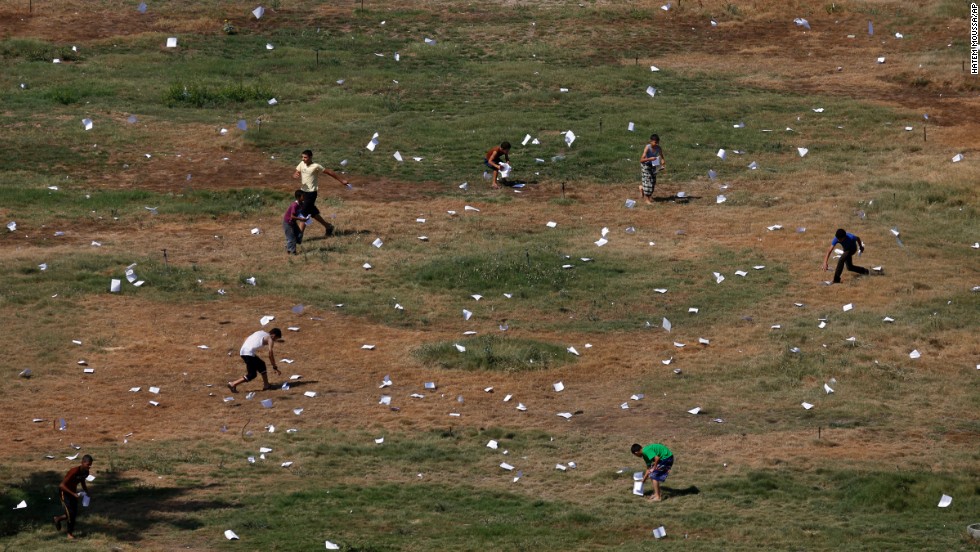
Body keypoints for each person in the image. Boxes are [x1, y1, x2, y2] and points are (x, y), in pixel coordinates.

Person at [293, 149, 351, 236]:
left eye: (305, 157)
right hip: (303, 192)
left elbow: (329, 172)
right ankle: (328, 226)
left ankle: (299, 236)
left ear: (310, 157)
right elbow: (297, 171)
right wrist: (296, 174)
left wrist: (341, 180)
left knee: (304, 213)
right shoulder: (302, 164)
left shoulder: (316, 166)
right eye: (302, 157)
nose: (303, 159)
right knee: (312, 212)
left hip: (311, 193)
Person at [228, 328, 282, 393]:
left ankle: (266, 385)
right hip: (249, 353)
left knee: (261, 364)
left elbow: (246, 338)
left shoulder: (260, 332)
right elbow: (270, 354)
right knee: (252, 374)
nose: (275, 340)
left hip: (243, 351)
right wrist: (274, 367)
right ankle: (233, 384)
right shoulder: (270, 339)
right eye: (276, 338)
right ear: (273, 335)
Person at [54, 454, 93, 539]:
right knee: (70, 513)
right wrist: (73, 494)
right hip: (64, 492)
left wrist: (87, 491)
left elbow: (82, 481)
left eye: (90, 465)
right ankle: (69, 534)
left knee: (73, 513)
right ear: (82, 462)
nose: (89, 466)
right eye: (88, 464)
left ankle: (58, 519)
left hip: (73, 492)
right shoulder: (74, 471)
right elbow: (62, 485)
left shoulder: (86, 472)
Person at [639, 134, 666, 204]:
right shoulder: (647, 147)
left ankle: (642, 187)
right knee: (648, 181)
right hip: (646, 165)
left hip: (653, 164)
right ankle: (647, 199)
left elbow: (661, 155)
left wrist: (662, 161)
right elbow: (641, 160)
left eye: (657, 142)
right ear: (651, 141)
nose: (656, 144)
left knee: (653, 182)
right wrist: (649, 159)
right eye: (655, 142)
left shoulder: (658, 148)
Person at [283, 190, 307, 255]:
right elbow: (292, 216)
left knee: (299, 235)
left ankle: (289, 246)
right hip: (288, 223)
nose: (305, 197)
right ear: (298, 197)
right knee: (292, 238)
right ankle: (293, 252)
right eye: (303, 196)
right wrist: (301, 219)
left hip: (293, 223)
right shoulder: (294, 205)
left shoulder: (301, 204)